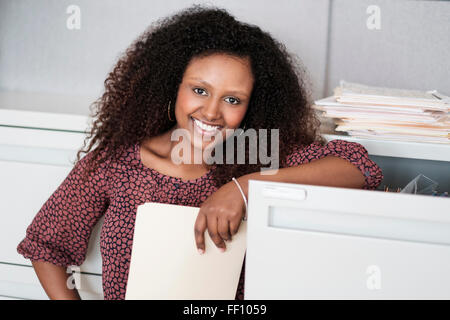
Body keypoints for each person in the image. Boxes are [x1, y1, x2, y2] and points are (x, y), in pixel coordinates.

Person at [17, 5, 383, 300]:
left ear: (251, 106)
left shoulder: (256, 153)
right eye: (200, 90)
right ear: (171, 85)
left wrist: (243, 187)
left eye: (232, 99)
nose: (211, 113)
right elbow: (46, 246)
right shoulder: (115, 163)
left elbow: (359, 169)